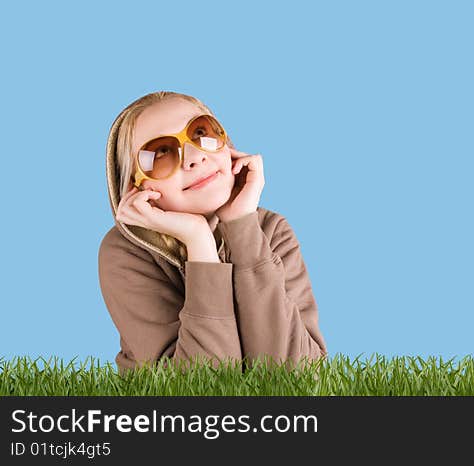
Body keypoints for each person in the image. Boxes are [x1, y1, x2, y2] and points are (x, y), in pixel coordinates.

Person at [98, 91, 328, 374]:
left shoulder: (272, 231)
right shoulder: (125, 253)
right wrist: (198, 242)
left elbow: (299, 377)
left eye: (200, 132)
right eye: (161, 153)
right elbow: (205, 388)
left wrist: (242, 226)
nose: (195, 157)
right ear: (137, 188)